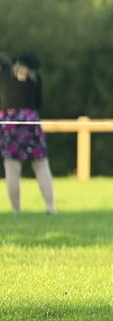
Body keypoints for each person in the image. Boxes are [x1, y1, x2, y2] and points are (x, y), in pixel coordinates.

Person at [1, 52, 55, 213]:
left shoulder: (3, 77)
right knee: (41, 165)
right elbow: (38, 103)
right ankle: (50, 207)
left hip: (8, 122)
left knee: (12, 168)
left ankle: (16, 210)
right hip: (30, 119)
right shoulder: (35, 79)